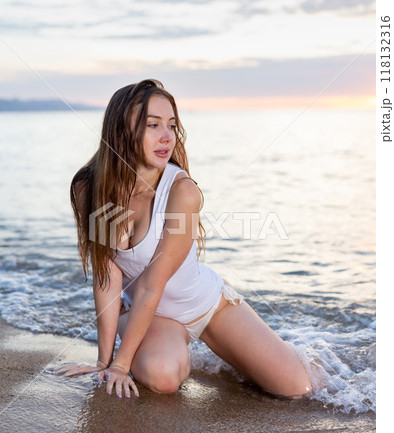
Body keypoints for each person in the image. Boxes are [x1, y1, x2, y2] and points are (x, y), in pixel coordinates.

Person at [55, 79, 312, 399]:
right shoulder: (88, 186)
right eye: (153, 125)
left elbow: (152, 283)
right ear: (122, 131)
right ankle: (160, 342)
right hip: (156, 316)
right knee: (162, 379)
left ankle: (253, 355)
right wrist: (105, 362)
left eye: (172, 125)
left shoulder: (182, 192)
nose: (167, 137)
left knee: (297, 388)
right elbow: (107, 274)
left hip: (206, 305)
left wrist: (121, 365)